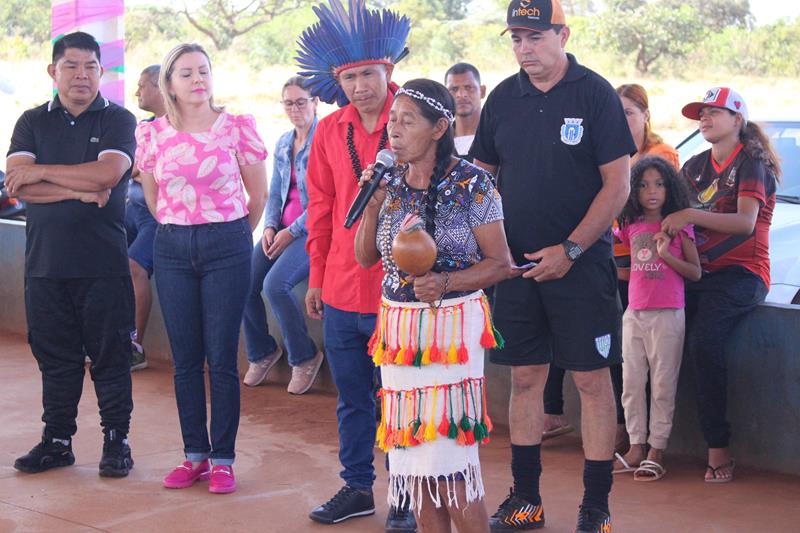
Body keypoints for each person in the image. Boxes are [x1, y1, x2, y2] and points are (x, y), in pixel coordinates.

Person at [469, 1, 636, 531]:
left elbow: (619, 185)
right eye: (515, 38)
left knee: (591, 382)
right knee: (524, 380)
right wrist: (492, 250)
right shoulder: (502, 97)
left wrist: (571, 249)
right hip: (516, 269)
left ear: (562, 35)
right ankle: (526, 499)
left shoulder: (594, 94)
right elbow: (482, 178)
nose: (524, 49)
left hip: (581, 267)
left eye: (535, 37)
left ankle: (595, 507)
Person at [356, 78, 511, 533]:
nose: (394, 131)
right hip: (400, 334)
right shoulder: (390, 183)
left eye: (407, 121)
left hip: (451, 335)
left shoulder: (473, 183)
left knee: (450, 467)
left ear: (440, 126)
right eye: (392, 121)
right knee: (416, 470)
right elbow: (365, 257)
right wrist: (372, 204)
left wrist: (447, 282)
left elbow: (501, 263)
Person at [297, 1, 416, 530]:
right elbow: (318, 210)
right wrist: (316, 278)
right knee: (352, 400)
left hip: (403, 289)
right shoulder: (327, 132)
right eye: (349, 77)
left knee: (403, 401)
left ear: (389, 70)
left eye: (369, 72)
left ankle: (410, 495)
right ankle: (357, 487)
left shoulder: (416, 121)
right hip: (343, 289)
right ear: (336, 82)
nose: (361, 85)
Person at [135, 43, 268, 494]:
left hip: (227, 243)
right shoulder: (152, 134)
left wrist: (229, 235)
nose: (198, 80)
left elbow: (259, 197)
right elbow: (153, 198)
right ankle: (194, 455)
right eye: (187, 73)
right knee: (185, 359)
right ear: (169, 82)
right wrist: (182, 226)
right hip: (172, 245)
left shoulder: (236, 127)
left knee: (221, 358)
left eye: (204, 71)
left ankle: (223, 459)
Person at [6, 31, 137, 477]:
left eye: (91, 67)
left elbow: (108, 174)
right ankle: (56, 441)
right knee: (55, 356)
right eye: (71, 66)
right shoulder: (30, 121)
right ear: (53, 71)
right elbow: (16, 184)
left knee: (111, 356)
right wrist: (78, 191)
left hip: (103, 263)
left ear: (102, 71)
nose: (82, 75)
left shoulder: (119, 119)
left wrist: (40, 172)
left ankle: (117, 440)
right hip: (45, 265)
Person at [542, 83, 682, 447]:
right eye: (615, 114)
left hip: (645, 277)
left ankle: (630, 432)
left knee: (624, 356)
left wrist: (611, 190)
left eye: (629, 113)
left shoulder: (660, 155)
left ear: (646, 116)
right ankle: (553, 411)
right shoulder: (602, 152)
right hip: (611, 264)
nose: (621, 121)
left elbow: (629, 205)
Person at [662, 87, 780, 483]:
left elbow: (746, 223)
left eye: (715, 112)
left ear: (737, 120)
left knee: (703, 342)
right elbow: (670, 214)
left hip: (741, 274)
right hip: (695, 271)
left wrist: (690, 213)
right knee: (649, 333)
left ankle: (719, 448)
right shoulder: (693, 165)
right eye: (702, 114)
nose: (705, 119)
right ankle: (644, 443)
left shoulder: (752, 164)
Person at [612, 156, 701, 481]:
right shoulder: (628, 226)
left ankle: (656, 450)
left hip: (668, 314)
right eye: (644, 184)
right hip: (634, 313)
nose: (652, 191)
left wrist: (666, 255)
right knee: (632, 384)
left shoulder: (678, 227)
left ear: (670, 188)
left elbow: (695, 273)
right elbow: (627, 266)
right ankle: (636, 446)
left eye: (660, 184)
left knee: (663, 384)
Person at [242, 76, 324, 394]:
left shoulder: (324, 140)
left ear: (315, 103)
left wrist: (292, 231)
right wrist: (270, 227)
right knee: (243, 282)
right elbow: (275, 191)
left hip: (310, 230)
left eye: (301, 102)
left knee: (276, 285)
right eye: (288, 103)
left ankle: (303, 357)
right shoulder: (283, 142)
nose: (295, 109)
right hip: (283, 229)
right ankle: (262, 351)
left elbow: (324, 199)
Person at [125, 64, 166, 371]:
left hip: (156, 216)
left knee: (134, 267)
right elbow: (131, 168)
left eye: (142, 85)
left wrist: (143, 172)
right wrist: (142, 171)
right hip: (130, 209)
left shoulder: (177, 126)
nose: (137, 92)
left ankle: (134, 346)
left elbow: (155, 172)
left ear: (159, 87)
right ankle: (109, 337)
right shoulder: (144, 126)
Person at [444, 63, 486, 157]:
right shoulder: (439, 141)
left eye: (468, 87)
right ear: (446, 95)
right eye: (454, 89)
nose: (461, 94)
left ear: (482, 91)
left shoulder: (496, 137)